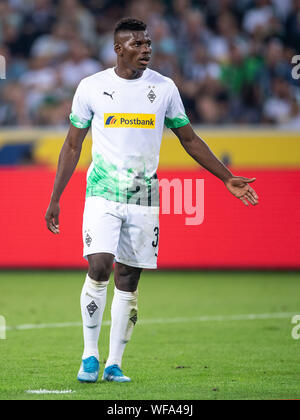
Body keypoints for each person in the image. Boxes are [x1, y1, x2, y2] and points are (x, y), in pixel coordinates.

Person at [45, 17, 259, 384]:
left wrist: (226, 178)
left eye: (148, 44)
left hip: (144, 195)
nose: (146, 50)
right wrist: (56, 197)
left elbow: (189, 140)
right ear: (118, 49)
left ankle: (114, 363)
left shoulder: (164, 88)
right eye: (138, 44)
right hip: (102, 192)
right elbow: (72, 144)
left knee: (128, 279)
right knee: (99, 266)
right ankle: (89, 355)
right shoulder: (92, 87)